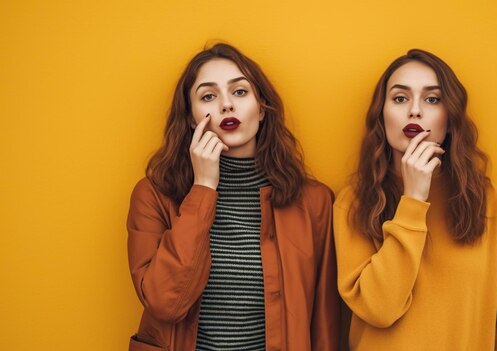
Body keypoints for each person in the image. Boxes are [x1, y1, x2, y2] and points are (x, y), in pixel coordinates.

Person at [126, 43, 339, 351]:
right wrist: (203, 189)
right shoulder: (152, 195)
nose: (226, 105)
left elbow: (323, 322)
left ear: (262, 106)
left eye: (240, 92)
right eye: (208, 96)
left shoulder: (314, 202)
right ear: (190, 117)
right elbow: (165, 303)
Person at [333, 49, 497, 350]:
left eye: (432, 99)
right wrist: (414, 201)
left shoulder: (488, 202)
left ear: (450, 116)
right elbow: (379, 309)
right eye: (400, 98)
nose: (415, 111)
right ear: (382, 115)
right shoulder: (354, 203)